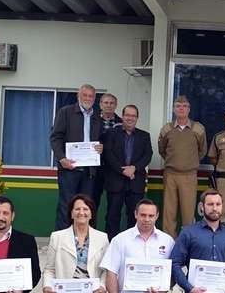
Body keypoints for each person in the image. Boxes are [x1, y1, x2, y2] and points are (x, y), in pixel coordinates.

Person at [50, 84, 104, 231]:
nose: (88, 98)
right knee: (66, 206)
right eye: (85, 95)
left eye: (91, 96)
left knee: (86, 207)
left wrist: (101, 146)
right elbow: (55, 138)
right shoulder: (66, 112)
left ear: (94, 98)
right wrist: (62, 159)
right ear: (78, 96)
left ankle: (84, 239)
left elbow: (101, 140)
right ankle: (61, 241)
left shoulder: (97, 118)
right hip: (69, 168)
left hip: (89, 171)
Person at [158, 95, 207, 238]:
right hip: (171, 174)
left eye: (184, 106)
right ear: (174, 109)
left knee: (188, 213)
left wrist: (189, 162)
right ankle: (168, 243)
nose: (181, 109)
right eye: (178, 106)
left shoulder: (197, 129)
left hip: (189, 175)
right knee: (169, 213)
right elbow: (162, 150)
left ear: (189, 109)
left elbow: (202, 150)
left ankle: (188, 243)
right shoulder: (167, 128)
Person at [104, 104, 152, 238]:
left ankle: (132, 247)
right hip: (115, 181)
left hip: (136, 183)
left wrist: (134, 168)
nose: (130, 118)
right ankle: (112, 246)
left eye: (133, 116)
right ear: (123, 117)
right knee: (112, 216)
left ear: (137, 118)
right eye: (127, 115)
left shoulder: (144, 136)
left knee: (134, 217)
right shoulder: (111, 134)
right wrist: (123, 170)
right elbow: (108, 154)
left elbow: (148, 155)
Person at [92, 93, 122, 221]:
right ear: (100, 104)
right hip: (94, 169)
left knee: (113, 208)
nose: (108, 105)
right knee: (92, 204)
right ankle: (91, 234)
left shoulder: (122, 124)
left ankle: (110, 238)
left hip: (114, 170)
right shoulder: (91, 121)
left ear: (116, 105)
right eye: (106, 103)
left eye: (111, 103)